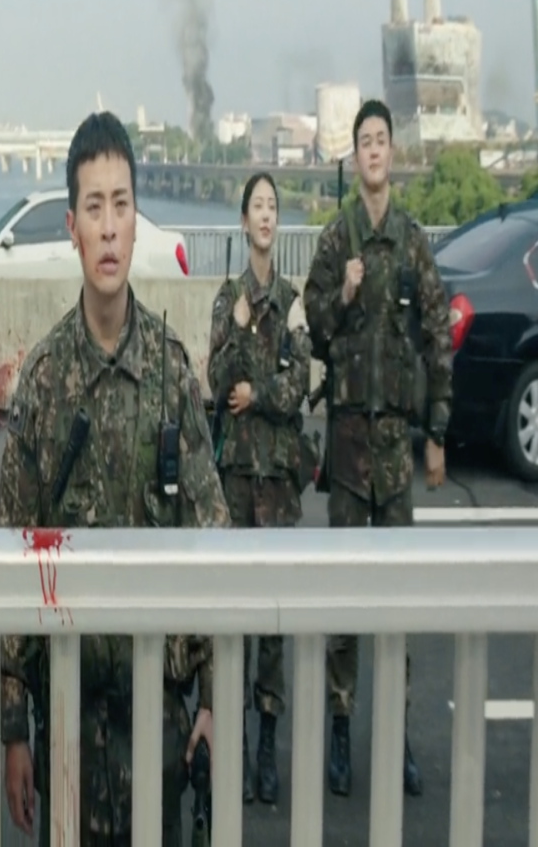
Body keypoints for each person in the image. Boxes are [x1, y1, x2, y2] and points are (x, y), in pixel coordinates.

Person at [0, 111, 230, 845]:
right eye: (93, 208)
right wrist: (14, 731)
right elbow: (12, 560)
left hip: (158, 729)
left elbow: (212, 539)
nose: (107, 228)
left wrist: (213, 697)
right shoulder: (44, 382)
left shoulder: (169, 373)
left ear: (136, 223)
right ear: (71, 227)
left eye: (120, 206)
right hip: (68, 726)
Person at [303, 98, 452, 799]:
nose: (371, 149)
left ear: (392, 153)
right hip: (347, 448)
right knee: (344, 596)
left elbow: (437, 335)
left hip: (394, 449)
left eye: (380, 139)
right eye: (362, 139)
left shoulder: (413, 241)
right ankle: (340, 726)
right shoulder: (338, 240)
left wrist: (437, 433)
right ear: (355, 154)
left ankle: (396, 732)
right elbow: (314, 328)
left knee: (396, 598)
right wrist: (344, 292)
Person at [206, 171, 312, 806]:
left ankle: (267, 744)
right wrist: (241, 329)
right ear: (244, 222)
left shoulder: (293, 301)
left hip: (279, 484)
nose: (266, 215)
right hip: (236, 483)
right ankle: (236, 743)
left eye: (273, 206)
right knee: (236, 617)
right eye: (258, 206)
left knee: (273, 620)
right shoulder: (229, 299)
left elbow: (299, 385)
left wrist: (259, 394)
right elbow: (215, 379)